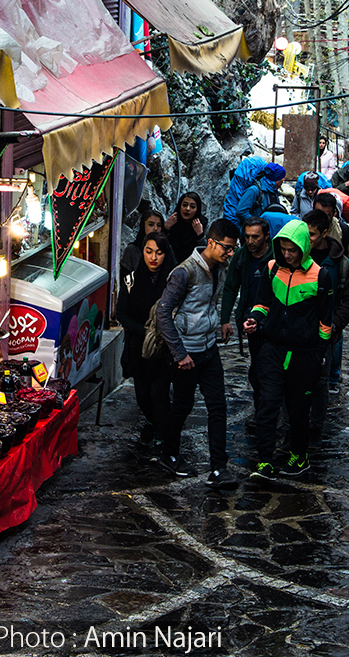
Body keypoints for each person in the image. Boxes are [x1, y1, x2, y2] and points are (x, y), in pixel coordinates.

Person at [243, 220, 333, 480]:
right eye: (283, 249)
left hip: (304, 355)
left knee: (297, 409)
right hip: (272, 350)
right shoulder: (271, 269)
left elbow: (326, 322)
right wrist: (254, 319)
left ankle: (299, 455)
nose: (287, 254)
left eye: (292, 249)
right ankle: (264, 461)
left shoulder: (321, 276)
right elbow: (263, 303)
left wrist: (319, 355)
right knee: (268, 405)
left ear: (304, 246)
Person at [156, 217, 240, 489]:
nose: (230, 253)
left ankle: (219, 467)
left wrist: (222, 322)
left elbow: (211, 302)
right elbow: (163, 314)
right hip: (186, 353)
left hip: (208, 348)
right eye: (226, 247)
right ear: (212, 243)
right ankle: (168, 454)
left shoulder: (219, 268)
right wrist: (179, 353)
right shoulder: (185, 272)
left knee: (218, 406)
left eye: (232, 248)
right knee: (182, 405)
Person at [302, 209, 349, 448]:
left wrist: (334, 324)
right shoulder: (296, 256)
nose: (307, 239)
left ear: (325, 233)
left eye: (312, 235)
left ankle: (315, 428)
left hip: (324, 334)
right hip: (296, 332)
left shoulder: (340, 262)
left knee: (319, 382)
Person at [117, 232, 176, 448]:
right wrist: (144, 331)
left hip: (165, 348)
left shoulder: (174, 281)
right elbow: (121, 313)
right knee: (143, 395)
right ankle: (151, 421)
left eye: (159, 253)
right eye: (149, 252)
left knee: (160, 393)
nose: (153, 258)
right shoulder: (131, 280)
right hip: (138, 348)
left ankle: (162, 433)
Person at [220, 218, 273, 427]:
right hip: (251, 322)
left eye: (255, 237)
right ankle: (262, 413)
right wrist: (225, 320)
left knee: (269, 369)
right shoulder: (241, 257)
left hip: (274, 322)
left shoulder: (275, 257)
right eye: (247, 236)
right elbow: (231, 287)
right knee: (258, 368)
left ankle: (269, 414)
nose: (250, 241)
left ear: (266, 236)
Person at [313, 191, 349, 391]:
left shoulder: (346, 232)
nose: (322, 219)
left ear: (334, 213)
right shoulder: (304, 231)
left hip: (335, 295)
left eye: (326, 215)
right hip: (309, 295)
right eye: (318, 213)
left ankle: (332, 379)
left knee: (334, 336)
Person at [235, 163, 286, 229]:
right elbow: (241, 211)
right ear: (275, 179)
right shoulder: (254, 190)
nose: (283, 180)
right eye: (281, 179)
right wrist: (257, 225)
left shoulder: (273, 191)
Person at [164, 192, 208, 264]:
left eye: (192, 207)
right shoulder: (173, 221)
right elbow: (161, 244)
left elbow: (205, 252)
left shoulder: (202, 224)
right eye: (184, 205)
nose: (187, 209)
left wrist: (200, 234)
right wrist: (166, 228)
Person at [121, 209, 166, 275]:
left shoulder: (166, 248)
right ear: (143, 226)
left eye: (159, 225)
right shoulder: (132, 250)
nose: (155, 228)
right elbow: (124, 278)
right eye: (151, 225)